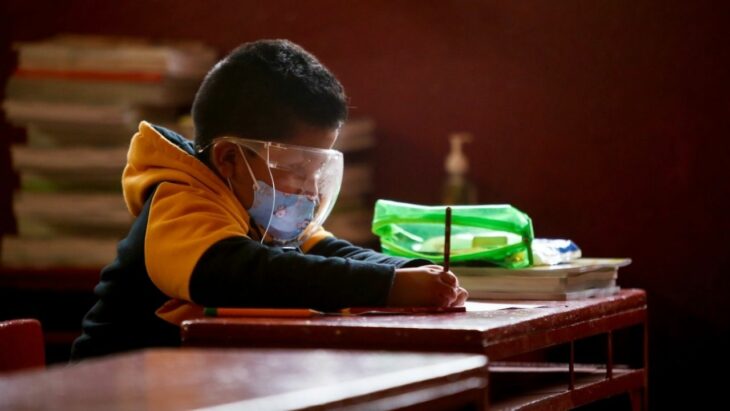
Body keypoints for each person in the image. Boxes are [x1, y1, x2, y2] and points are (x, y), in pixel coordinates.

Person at [70, 39, 467, 360]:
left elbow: (327, 253)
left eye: (316, 173)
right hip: (112, 395)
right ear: (229, 157)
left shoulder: (266, 206)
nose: (310, 191)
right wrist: (389, 286)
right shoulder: (181, 198)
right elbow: (235, 273)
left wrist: (417, 272)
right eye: (295, 168)